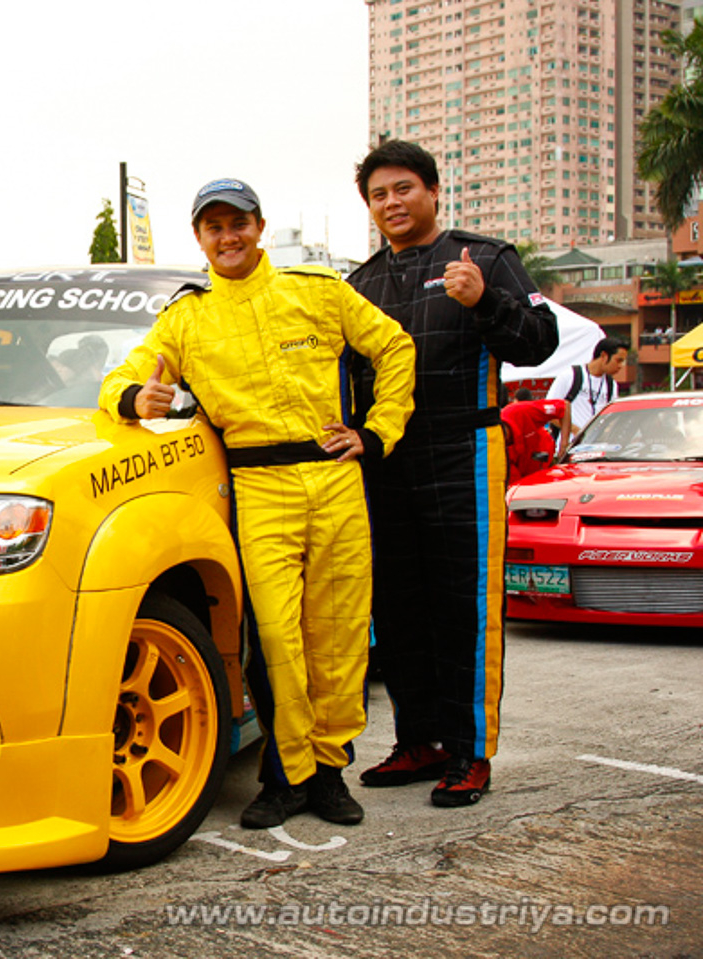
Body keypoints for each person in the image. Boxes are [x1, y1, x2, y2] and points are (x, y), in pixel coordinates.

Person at [100, 178, 416, 830]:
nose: (228, 236)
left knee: (340, 634)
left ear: (259, 225)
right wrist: (137, 400)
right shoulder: (186, 318)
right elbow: (123, 376)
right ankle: (286, 775)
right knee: (275, 638)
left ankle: (328, 773)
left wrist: (379, 431)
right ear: (200, 238)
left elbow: (395, 347)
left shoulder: (317, 291)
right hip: (258, 484)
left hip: (333, 477)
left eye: (237, 223)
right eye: (214, 227)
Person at [348, 140, 558, 806]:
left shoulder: (485, 258)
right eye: (379, 194)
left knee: (464, 605)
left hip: (463, 450)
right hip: (387, 459)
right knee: (397, 607)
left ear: (434, 192)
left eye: (404, 188)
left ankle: (470, 752)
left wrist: (484, 302)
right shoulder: (359, 283)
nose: (392, 203)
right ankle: (418, 741)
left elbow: (539, 340)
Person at [545, 336, 627, 438]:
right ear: (604, 356)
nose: (621, 366)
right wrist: (574, 430)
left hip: (595, 448)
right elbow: (548, 411)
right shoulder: (570, 376)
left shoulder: (611, 385)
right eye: (618, 360)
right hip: (567, 448)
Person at [501, 388, 571, 484]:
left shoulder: (520, 411)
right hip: (530, 477)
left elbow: (564, 406)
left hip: (549, 463)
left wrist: (563, 444)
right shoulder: (500, 451)